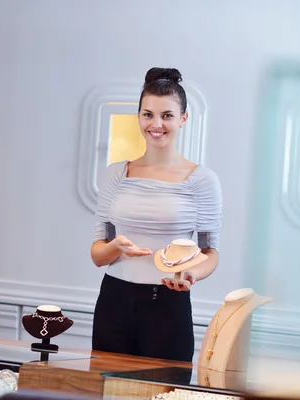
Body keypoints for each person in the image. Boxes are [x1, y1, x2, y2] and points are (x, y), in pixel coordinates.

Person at [90, 67, 223, 362]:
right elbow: (99, 255)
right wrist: (115, 247)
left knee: (164, 393)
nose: (156, 124)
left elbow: (209, 252)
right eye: (148, 114)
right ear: (138, 116)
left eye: (167, 115)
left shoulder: (201, 180)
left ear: (183, 119)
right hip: (113, 302)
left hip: (167, 306)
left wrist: (190, 275)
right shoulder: (116, 175)